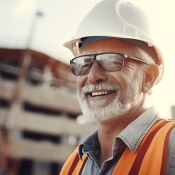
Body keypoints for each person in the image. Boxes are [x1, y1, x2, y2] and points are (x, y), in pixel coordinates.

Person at [60, 0, 175, 174]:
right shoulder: (72, 166)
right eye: (84, 63)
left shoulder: (171, 145)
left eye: (112, 61)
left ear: (148, 77)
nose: (92, 76)